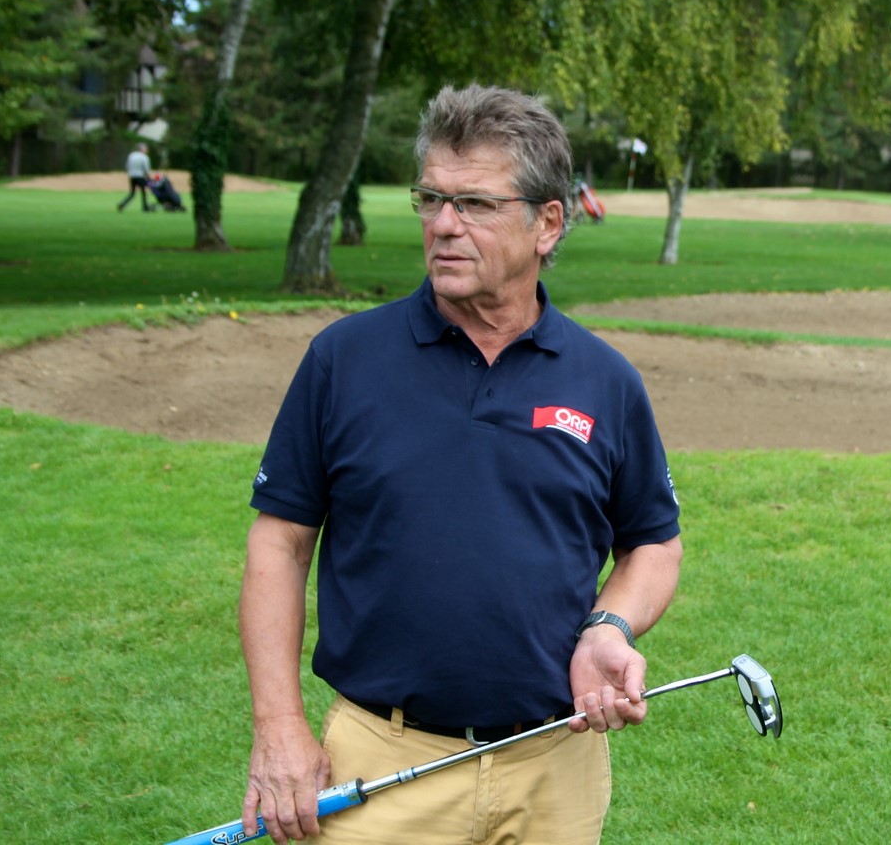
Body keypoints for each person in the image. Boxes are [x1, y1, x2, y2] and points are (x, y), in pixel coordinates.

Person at [239, 83, 683, 844]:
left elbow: (653, 543)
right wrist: (279, 728)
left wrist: (608, 626)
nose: (444, 225)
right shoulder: (344, 360)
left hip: (555, 766)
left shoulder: (605, 381)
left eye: (475, 204)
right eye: (431, 199)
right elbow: (279, 544)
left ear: (548, 223)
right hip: (379, 764)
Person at [118, 142, 154, 211]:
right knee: (144, 192)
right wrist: (149, 178)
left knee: (132, 193)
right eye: (145, 149)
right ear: (142, 149)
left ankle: (123, 204)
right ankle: (145, 207)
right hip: (140, 176)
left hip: (132, 176)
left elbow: (127, 166)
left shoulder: (131, 155)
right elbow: (146, 169)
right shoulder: (144, 157)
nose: (146, 150)